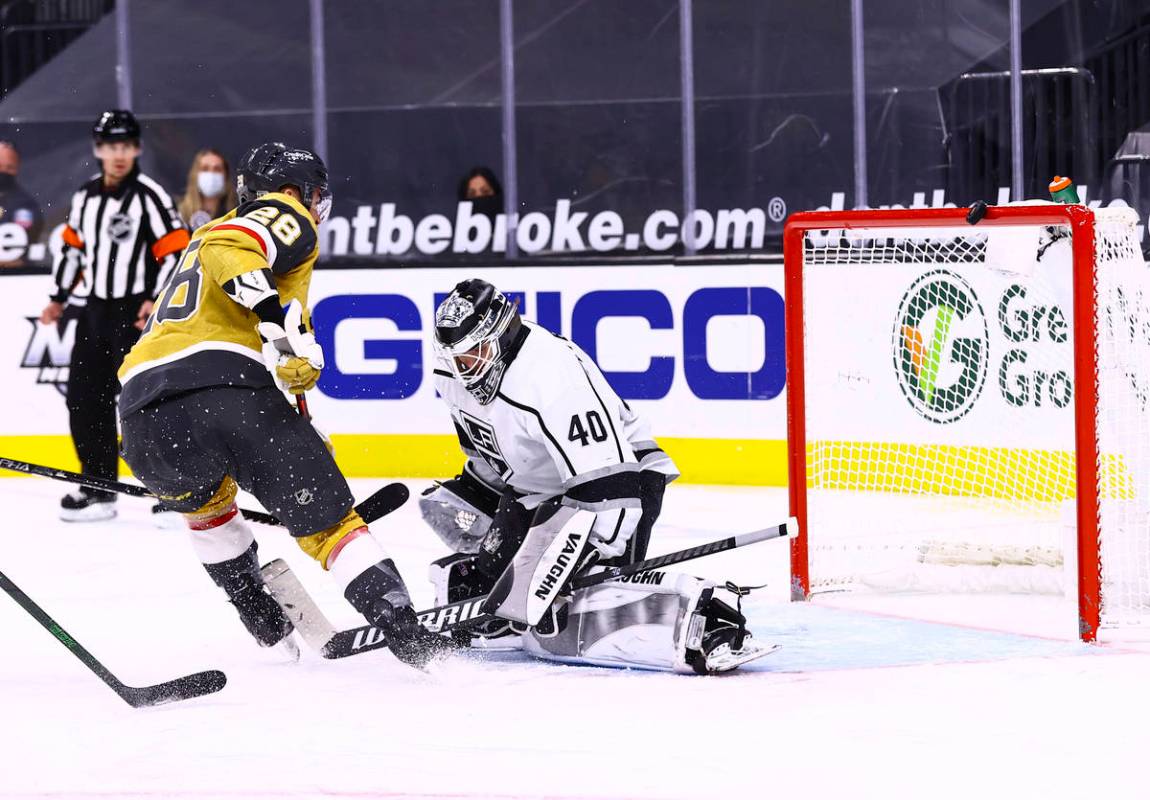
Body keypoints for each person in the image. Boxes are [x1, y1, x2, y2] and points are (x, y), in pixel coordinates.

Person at [116, 141, 455, 669]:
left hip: (143, 415)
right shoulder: (280, 211)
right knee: (331, 528)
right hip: (226, 391)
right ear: (294, 189)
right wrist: (270, 313)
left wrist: (297, 383)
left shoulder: (211, 248)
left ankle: (268, 629)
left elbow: (281, 336)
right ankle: (408, 633)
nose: (316, 206)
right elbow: (236, 249)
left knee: (209, 515)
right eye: (315, 194)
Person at [420, 278, 776, 674]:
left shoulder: (552, 379)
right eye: (456, 357)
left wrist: (582, 560)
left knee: (592, 594)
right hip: (538, 488)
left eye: (474, 353)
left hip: (620, 485)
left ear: (501, 333)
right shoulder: (451, 374)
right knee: (492, 586)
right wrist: (488, 510)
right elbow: (484, 445)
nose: (464, 368)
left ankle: (710, 623)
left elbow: (611, 485)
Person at [40, 109, 188, 521]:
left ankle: (174, 490)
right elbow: (73, 249)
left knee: (148, 403)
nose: (118, 154)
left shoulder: (149, 195)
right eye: (110, 146)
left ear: (137, 148)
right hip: (94, 312)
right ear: (98, 150)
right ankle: (99, 487)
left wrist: (157, 300)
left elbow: (178, 251)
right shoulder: (86, 196)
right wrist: (58, 297)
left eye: (125, 145)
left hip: (137, 313)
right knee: (84, 400)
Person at [177, 148, 238, 231]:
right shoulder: (179, 214)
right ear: (195, 175)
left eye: (217, 169)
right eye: (205, 169)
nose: (211, 174)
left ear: (225, 176)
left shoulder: (236, 213)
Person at [0, 141, 44, 250]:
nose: (3, 171)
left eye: (9, 167)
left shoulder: (25, 205)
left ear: (17, 167)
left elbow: (26, 244)